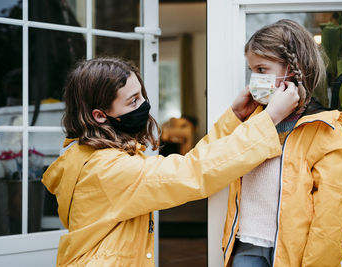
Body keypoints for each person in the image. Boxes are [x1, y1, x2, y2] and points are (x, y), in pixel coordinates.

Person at [42, 57, 299, 266]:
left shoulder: (91, 156)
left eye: (141, 95)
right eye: (133, 101)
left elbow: (192, 162)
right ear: (99, 115)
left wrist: (233, 118)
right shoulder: (107, 170)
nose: (145, 105)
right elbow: (192, 173)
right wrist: (269, 118)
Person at [222, 19, 342, 267]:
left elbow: (329, 216)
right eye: (251, 70)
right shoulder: (251, 122)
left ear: (293, 69)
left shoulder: (325, 129)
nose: (254, 79)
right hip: (246, 244)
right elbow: (216, 158)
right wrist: (236, 116)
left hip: (294, 253)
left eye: (261, 70)